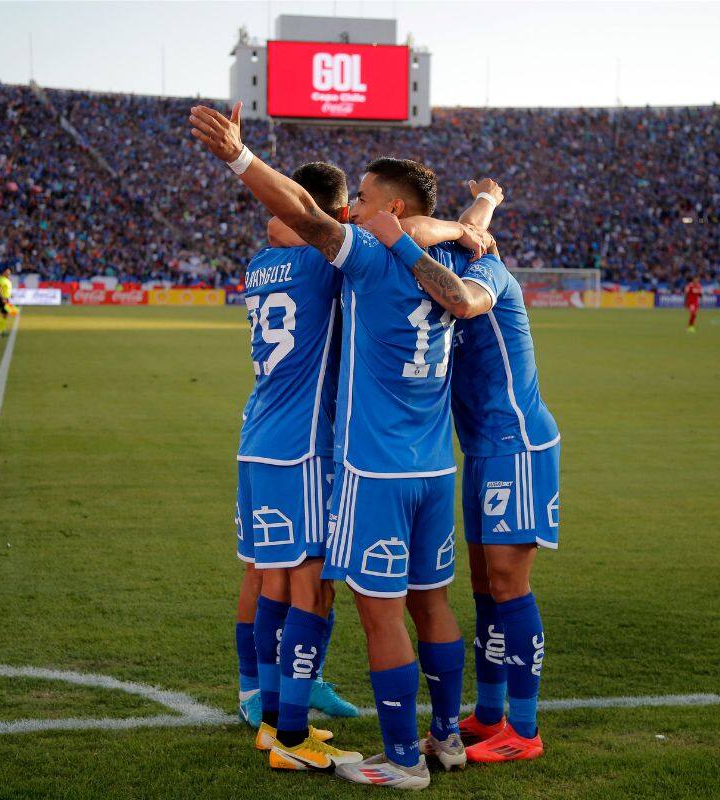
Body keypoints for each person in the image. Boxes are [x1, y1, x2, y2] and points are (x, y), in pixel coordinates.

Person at [190, 102, 487, 790]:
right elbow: (336, 220)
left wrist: (242, 158)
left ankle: (285, 716)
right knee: (363, 596)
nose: (354, 208)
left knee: (295, 583)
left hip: (307, 448)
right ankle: (312, 728)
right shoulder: (431, 270)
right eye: (348, 199)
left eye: (365, 198)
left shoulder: (311, 265)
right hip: (389, 458)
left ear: (389, 207)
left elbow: (294, 219)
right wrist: (474, 215)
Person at [390, 178, 560, 763]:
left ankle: (526, 729)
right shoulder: (456, 252)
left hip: (517, 443)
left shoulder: (483, 272)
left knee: (511, 585)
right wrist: (483, 206)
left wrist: (471, 221)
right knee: (485, 585)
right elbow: (442, 231)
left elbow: (444, 270)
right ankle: (489, 713)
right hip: (483, 448)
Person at [232, 161, 362, 773]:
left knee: (277, 582)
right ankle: (290, 734)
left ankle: (273, 717)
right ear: (332, 215)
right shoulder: (322, 261)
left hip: (259, 437)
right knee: (311, 584)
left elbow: (287, 225)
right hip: (304, 444)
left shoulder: (260, 265)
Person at [0, 267, 18, 336]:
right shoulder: (1, 279)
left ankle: (2, 330)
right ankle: (0, 331)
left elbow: (6, 290)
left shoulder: (7, 280)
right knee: (7, 314)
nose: (9, 273)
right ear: (4, 272)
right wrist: (3, 297)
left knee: (6, 315)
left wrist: (10, 295)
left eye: (9, 271)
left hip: (6, 299)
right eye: (7, 271)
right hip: (3, 300)